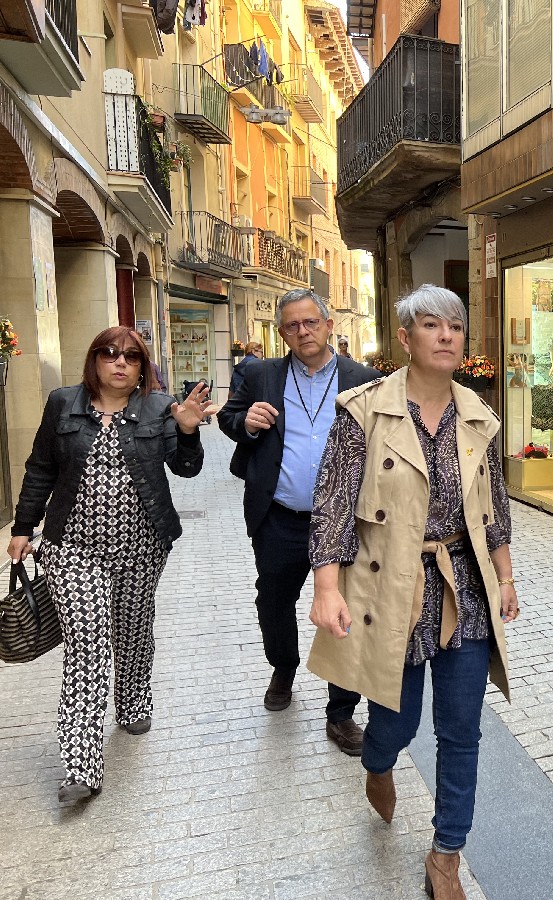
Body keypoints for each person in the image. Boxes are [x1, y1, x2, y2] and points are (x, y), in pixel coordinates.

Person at [307, 284, 519, 899]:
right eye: (431, 325)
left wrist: (506, 577)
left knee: (461, 731)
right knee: (396, 725)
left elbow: (494, 507)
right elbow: (332, 506)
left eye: (455, 326)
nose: (447, 335)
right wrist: (326, 588)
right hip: (388, 588)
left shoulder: (477, 414)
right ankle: (378, 764)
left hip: (463, 588)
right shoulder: (364, 411)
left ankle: (446, 854)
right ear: (405, 338)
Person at [7, 327, 213, 804]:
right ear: (94, 359)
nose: (120, 362)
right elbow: (41, 467)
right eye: (110, 353)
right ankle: (81, 766)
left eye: (132, 357)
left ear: (142, 368)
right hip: (72, 549)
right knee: (87, 646)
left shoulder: (159, 408)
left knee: (133, 629)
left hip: (141, 546)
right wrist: (23, 526)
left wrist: (186, 431)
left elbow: (187, 469)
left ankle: (134, 699)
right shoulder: (63, 404)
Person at [218, 289, 378, 756]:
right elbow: (229, 418)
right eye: (292, 325)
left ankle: (341, 711)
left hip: (344, 522)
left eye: (310, 322)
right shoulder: (261, 375)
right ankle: (284, 666)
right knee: (273, 601)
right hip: (280, 517)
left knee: (344, 609)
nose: (302, 331)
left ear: (328, 325)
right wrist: (246, 422)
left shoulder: (364, 380)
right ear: (282, 333)